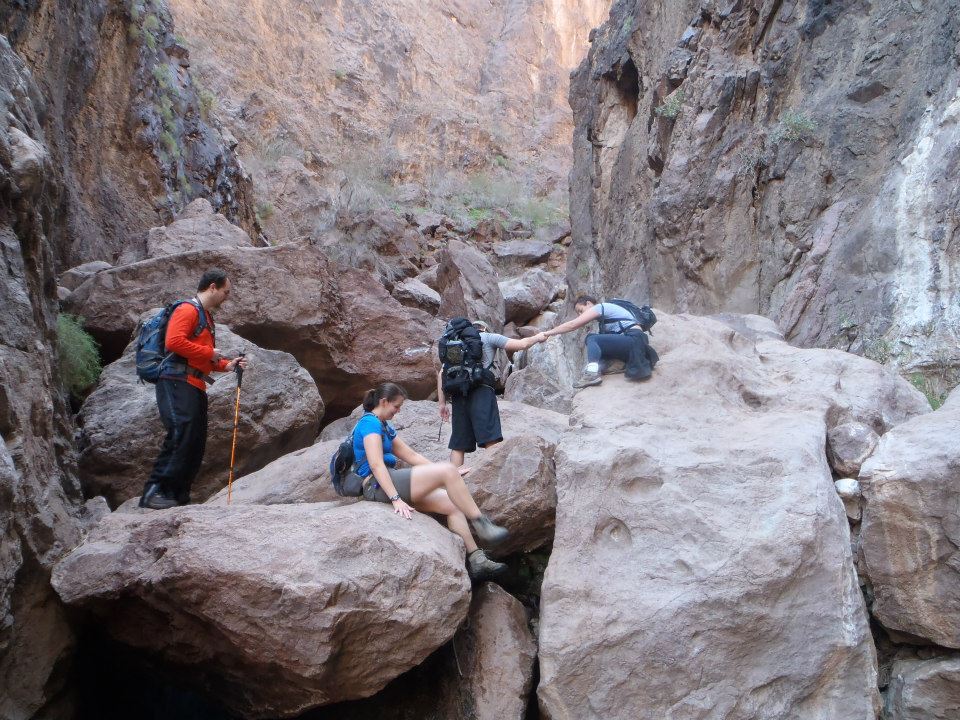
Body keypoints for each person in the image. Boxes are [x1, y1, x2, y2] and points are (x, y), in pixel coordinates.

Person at [347, 382, 511, 582]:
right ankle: (482, 524)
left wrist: (447, 473)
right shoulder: (369, 424)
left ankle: (477, 560)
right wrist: (396, 498)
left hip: (386, 481)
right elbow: (376, 464)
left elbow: (412, 455)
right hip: (375, 485)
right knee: (447, 472)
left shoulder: (382, 425)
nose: (397, 412)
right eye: (396, 406)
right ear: (383, 401)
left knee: (454, 504)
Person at [139, 268, 248, 510]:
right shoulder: (187, 310)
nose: (227, 297)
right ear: (212, 287)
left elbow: (201, 358)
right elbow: (174, 342)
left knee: (194, 440)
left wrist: (227, 365)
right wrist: (209, 353)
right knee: (181, 433)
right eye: (225, 292)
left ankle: (177, 495)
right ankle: (154, 492)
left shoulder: (206, 318)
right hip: (175, 380)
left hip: (194, 384)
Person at [437, 321, 547, 467]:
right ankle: (491, 476)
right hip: (481, 391)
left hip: (458, 394)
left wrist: (442, 404)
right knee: (490, 438)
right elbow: (521, 345)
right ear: (483, 328)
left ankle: (452, 481)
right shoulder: (488, 337)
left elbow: (442, 373)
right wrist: (537, 337)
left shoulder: (454, 342)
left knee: (459, 444)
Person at [542, 294, 657, 388]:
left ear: (588, 303)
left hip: (633, 339)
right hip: (633, 344)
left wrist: (547, 333)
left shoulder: (601, 307)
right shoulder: (604, 322)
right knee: (600, 355)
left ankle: (592, 374)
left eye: (581, 310)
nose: (581, 315)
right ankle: (619, 364)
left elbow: (572, 325)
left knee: (592, 338)